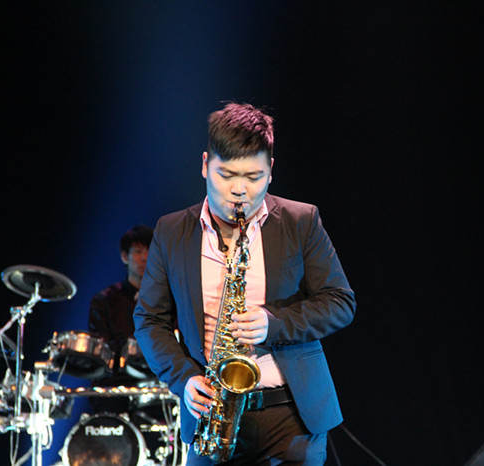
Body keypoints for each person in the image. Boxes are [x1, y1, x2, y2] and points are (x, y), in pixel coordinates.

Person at [133, 102, 356, 464]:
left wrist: (274, 323)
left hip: (292, 415)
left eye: (253, 177)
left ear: (271, 171)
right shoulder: (171, 231)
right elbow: (149, 319)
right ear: (205, 164)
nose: (239, 190)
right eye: (226, 175)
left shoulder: (301, 221)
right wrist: (183, 379)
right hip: (211, 414)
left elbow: (340, 302)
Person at [88, 224, 153, 413]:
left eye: (149, 251)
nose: (144, 257)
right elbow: (101, 348)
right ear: (125, 257)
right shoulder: (105, 300)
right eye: (138, 251)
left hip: (155, 385)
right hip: (116, 387)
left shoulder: (166, 299)